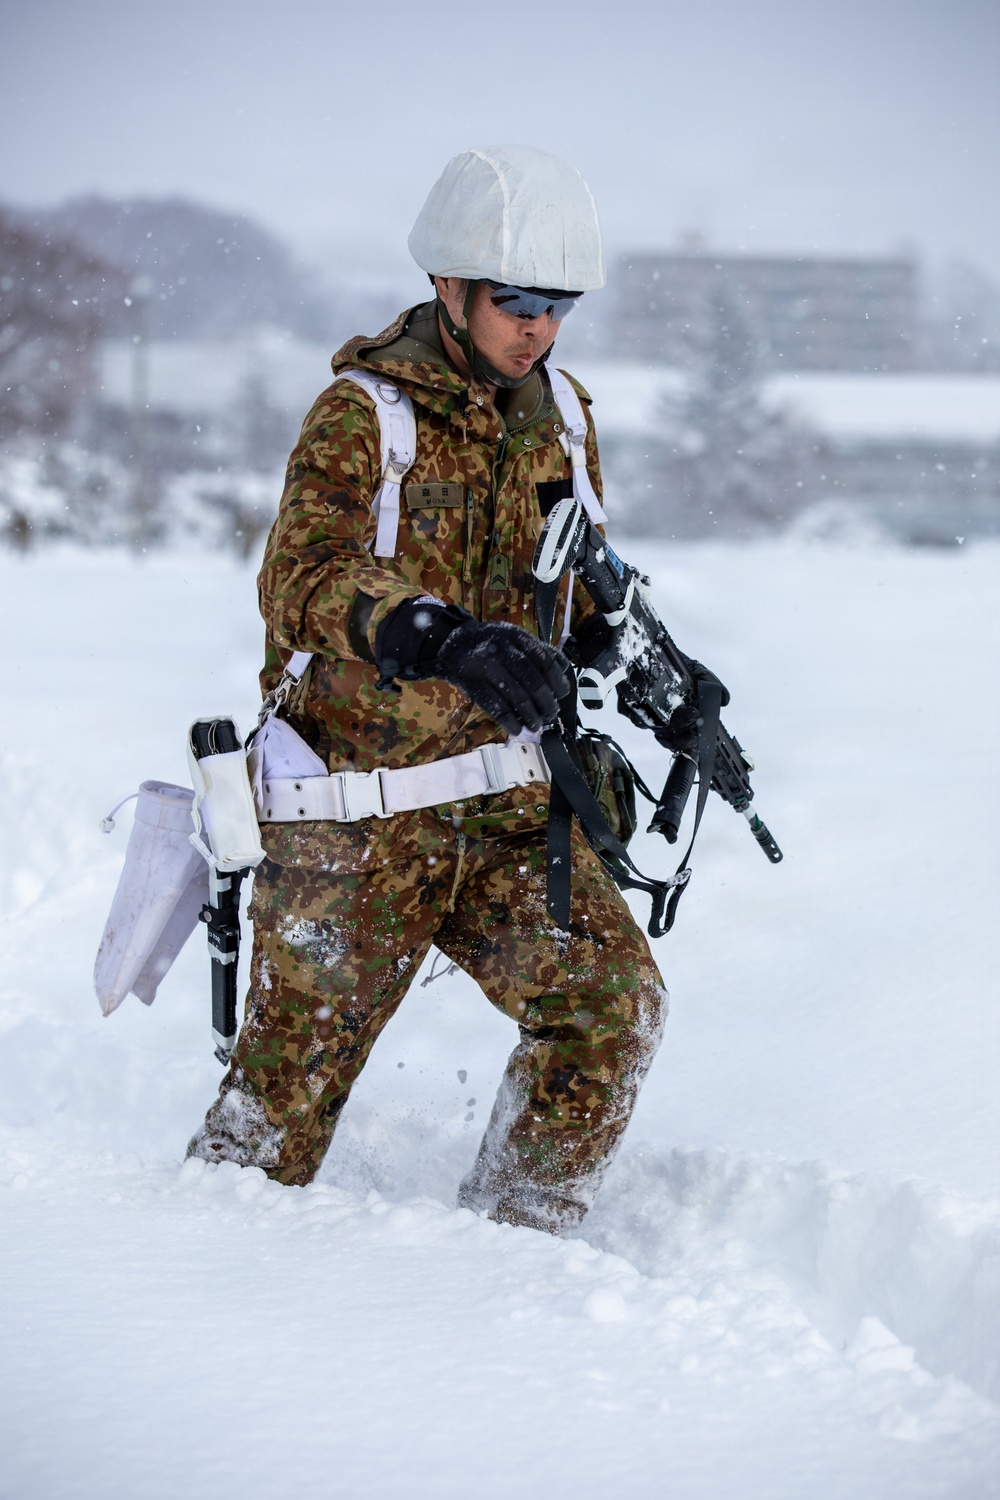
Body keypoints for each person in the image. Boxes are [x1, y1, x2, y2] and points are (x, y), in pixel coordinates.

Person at [187, 145, 669, 1234]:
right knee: (271, 1132)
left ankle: (517, 1246)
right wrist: (437, 635)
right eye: (516, 302)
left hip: (501, 813)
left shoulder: (566, 417)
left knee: (609, 1009)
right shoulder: (364, 415)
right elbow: (298, 579)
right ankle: (194, 1298)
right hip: (353, 828)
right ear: (450, 287)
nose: (537, 328)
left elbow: (583, 575)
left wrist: (643, 663)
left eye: (558, 306)